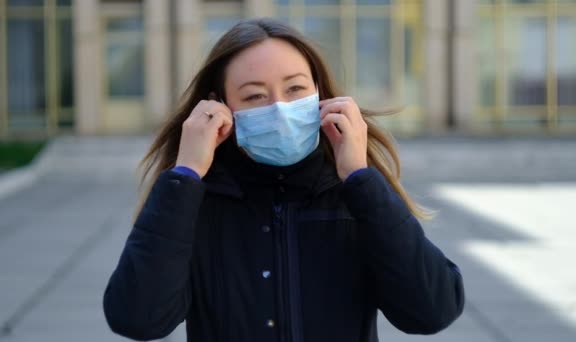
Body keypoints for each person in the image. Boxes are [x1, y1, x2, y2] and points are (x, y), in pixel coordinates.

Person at [102, 18, 464, 342]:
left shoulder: (353, 195)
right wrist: (185, 175)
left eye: (295, 90)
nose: (279, 108)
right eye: (255, 96)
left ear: (321, 93)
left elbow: (432, 310)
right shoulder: (197, 202)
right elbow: (138, 319)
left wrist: (360, 178)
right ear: (219, 106)